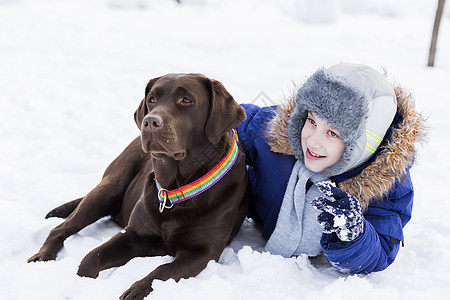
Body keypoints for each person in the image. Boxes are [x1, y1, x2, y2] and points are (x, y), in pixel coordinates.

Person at [236, 63, 426, 274]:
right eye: (312, 121)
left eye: (333, 133)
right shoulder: (275, 134)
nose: (313, 141)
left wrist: (354, 235)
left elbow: (380, 252)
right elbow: (229, 125)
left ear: (363, 143)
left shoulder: (385, 186)